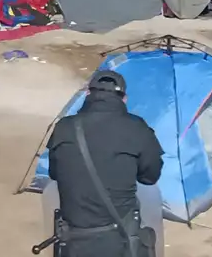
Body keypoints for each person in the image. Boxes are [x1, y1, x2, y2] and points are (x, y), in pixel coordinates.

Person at [47, 71, 164, 257]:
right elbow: (150, 177)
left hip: (73, 238)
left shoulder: (64, 127)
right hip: (119, 238)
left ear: (87, 93)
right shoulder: (137, 128)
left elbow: (54, 173)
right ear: (124, 99)